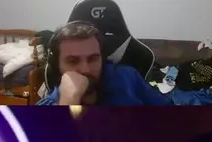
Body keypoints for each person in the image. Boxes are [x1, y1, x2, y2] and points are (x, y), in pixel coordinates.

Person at [36, 21, 174, 106]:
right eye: (72, 61)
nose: (85, 69)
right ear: (57, 66)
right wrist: (68, 101)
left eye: (93, 59)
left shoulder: (128, 77)